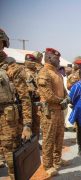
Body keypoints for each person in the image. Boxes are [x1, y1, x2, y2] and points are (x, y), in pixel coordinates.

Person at [0, 29, 33, 179]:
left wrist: (27, 124)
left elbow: (25, 98)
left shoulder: (13, 68)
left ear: (3, 43)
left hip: (8, 121)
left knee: (11, 155)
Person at [37, 48, 70, 177]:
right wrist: (62, 101)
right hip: (49, 112)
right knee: (48, 139)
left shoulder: (57, 73)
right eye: (57, 58)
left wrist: (66, 97)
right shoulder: (44, 73)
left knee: (59, 137)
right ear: (50, 58)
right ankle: (48, 165)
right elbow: (48, 95)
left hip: (59, 110)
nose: (59, 60)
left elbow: (64, 90)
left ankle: (57, 160)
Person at [24, 54, 42, 145]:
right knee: (27, 123)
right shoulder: (23, 72)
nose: (31, 63)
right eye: (29, 61)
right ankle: (27, 143)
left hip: (36, 101)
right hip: (27, 102)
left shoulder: (36, 72)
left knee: (36, 123)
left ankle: (35, 142)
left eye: (32, 62)